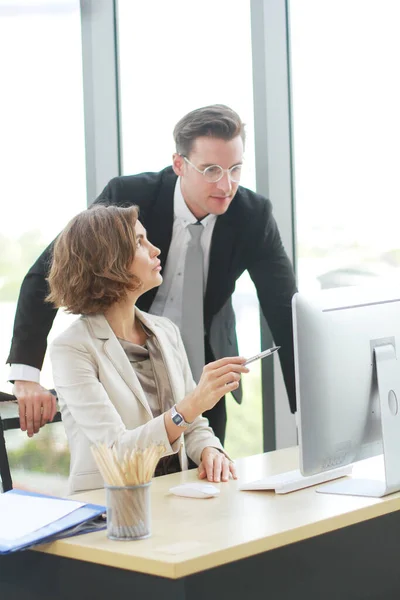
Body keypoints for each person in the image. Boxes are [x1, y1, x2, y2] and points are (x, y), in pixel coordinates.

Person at [7, 104, 297, 443]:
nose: (226, 184)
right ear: (179, 164)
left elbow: (285, 311)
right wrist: (26, 375)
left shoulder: (252, 214)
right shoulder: (127, 198)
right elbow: (50, 271)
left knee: (209, 474)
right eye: (211, 170)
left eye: (235, 169)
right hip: (123, 370)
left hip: (203, 372)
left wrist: (305, 411)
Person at [46, 204, 246, 493]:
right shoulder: (72, 348)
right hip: (111, 510)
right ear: (107, 261)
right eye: (139, 242)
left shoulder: (165, 331)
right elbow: (116, 451)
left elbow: (194, 426)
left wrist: (210, 451)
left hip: (175, 495)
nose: (155, 250)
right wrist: (192, 405)